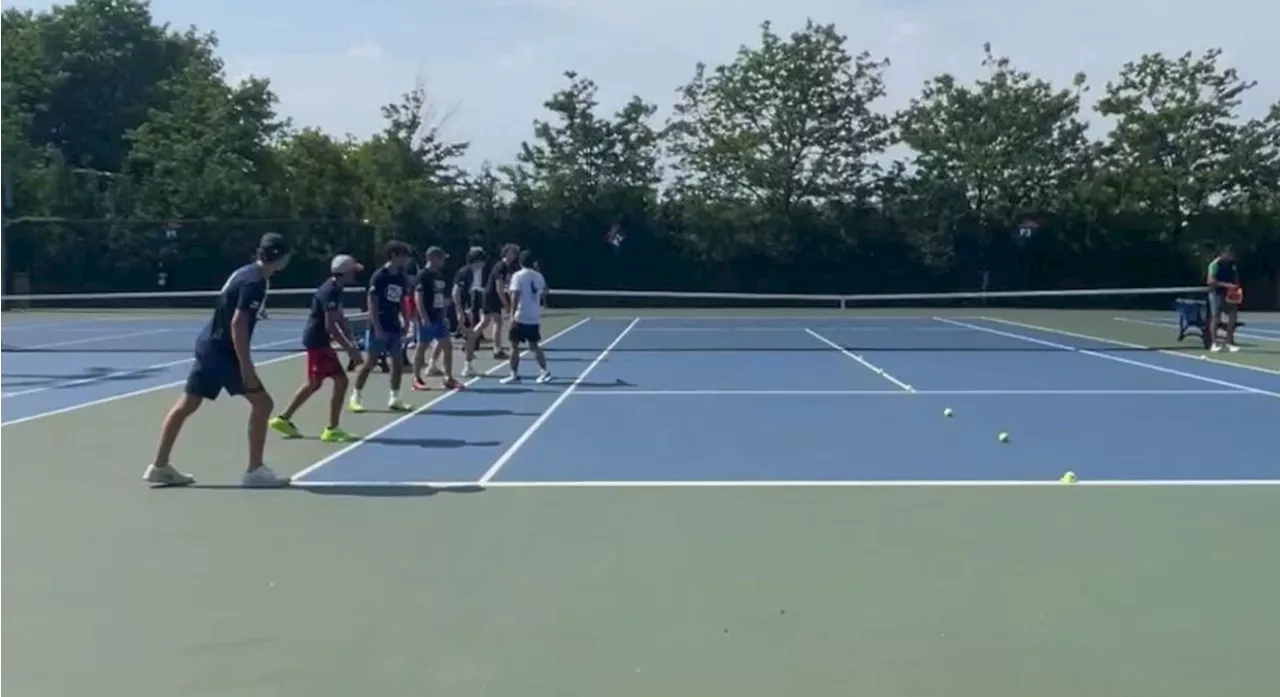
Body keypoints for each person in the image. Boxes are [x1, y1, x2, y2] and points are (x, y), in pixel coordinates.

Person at [142, 233, 292, 488]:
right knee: (263, 404)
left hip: (208, 346)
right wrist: (246, 367)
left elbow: (229, 306)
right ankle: (254, 470)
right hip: (224, 352)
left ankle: (159, 465)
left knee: (187, 405)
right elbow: (238, 322)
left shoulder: (244, 273)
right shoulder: (255, 282)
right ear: (279, 258)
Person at [268, 254, 365, 442]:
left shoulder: (336, 288)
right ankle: (332, 429)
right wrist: (350, 350)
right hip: (317, 342)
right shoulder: (330, 291)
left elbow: (339, 316)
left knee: (315, 382)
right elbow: (330, 325)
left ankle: (284, 419)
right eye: (353, 271)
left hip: (319, 341)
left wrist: (350, 338)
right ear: (344, 273)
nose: (355, 275)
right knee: (339, 381)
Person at [349, 240, 415, 412]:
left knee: (398, 362)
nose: (407, 260)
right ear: (393, 256)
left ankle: (394, 398)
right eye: (404, 256)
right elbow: (372, 301)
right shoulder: (380, 276)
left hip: (394, 324)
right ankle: (355, 396)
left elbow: (402, 300)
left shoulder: (401, 276)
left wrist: (407, 321)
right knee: (370, 362)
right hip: (378, 324)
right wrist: (376, 325)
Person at [411, 246, 464, 391]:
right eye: (441, 259)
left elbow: (442, 297)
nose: (443, 262)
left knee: (447, 345)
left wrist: (444, 314)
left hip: (439, 316)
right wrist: (423, 317)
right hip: (426, 317)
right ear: (433, 258)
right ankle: (416, 378)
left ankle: (448, 378)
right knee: (422, 347)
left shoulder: (439, 275)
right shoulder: (423, 275)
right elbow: (418, 297)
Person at [502, 249, 552, 385]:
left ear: (520, 262)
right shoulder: (538, 276)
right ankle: (544, 371)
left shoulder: (517, 276)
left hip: (520, 315)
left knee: (514, 345)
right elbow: (545, 290)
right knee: (534, 345)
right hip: (533, 315)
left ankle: (514, 374)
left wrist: (512, 316)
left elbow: (515, 296)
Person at [1206, 245, 1242, 353]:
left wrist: (1236, 286)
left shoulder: (1232, 264)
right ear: (1223, 254)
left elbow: (1235, 277)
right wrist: (1227, 285)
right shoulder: (1214, 264)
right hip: (1216, 293)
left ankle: (1229, 342)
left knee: (1233, 316)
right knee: (1216, 317)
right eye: (1229, 253)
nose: (1232, 256)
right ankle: (1214, 343)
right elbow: (1210, 281)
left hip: (1229, 294)